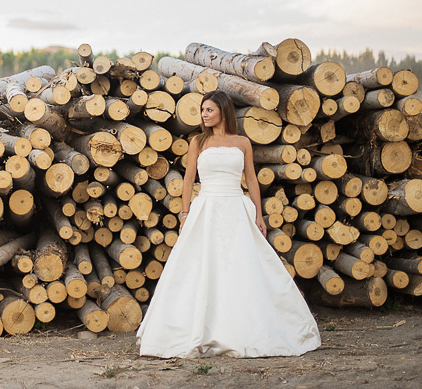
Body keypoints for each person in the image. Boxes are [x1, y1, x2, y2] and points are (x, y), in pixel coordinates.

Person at [136, 90, 321, 358]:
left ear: (223, 111)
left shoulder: (243, 142)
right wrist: (185, 214)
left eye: (209, 110)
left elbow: (252, 180)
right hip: (207, 208)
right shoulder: (198, 141)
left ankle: (247, 326)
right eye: (202, 110)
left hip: (236, 207)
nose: (204, 114)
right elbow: (188, 180)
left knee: (241, 266)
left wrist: (259, 214)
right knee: (201, 267)